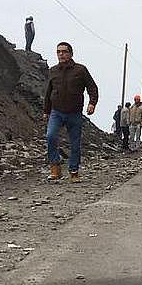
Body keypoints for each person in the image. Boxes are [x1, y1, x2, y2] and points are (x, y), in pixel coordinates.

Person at [44, 41, 98, 181]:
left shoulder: (80, 70)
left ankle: (74, 171)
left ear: (71, 53)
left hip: (74, 113)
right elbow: (48, 91)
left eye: (64, 51)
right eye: (58, 52)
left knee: (75, 143)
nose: (61, 54)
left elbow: (92, 88)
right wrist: (46, 110)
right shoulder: (53, 71)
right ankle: (55, 167)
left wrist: (92, 103)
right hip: (56, 112)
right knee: (50, 136)